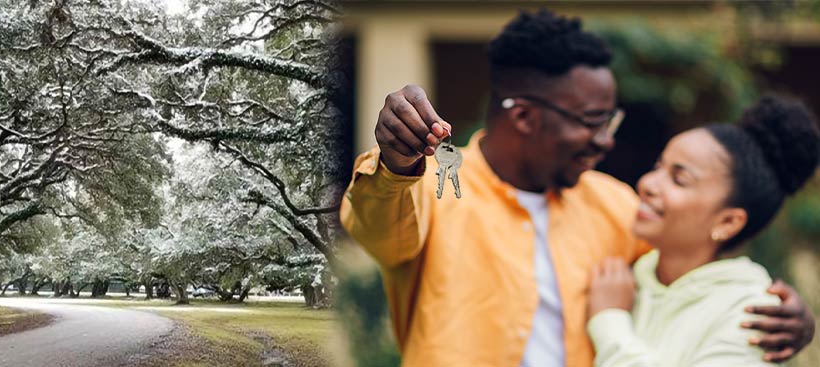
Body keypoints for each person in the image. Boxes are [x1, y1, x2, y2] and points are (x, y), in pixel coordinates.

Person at [341, 8, 814, 366]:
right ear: (524, 116)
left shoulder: (617, 205)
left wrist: (786, 317)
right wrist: (397, 163)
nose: (607, 139)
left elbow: (685, 274)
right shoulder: (434, 188)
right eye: (592, 121)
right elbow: (378, 227)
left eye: (611, 119)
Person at [586, 96, 820, 366]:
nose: (647, 183)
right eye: (658, 167)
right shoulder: (627, 275)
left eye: (679, 180)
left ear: (727, 222)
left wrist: (609, 322)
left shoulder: (752, 312)